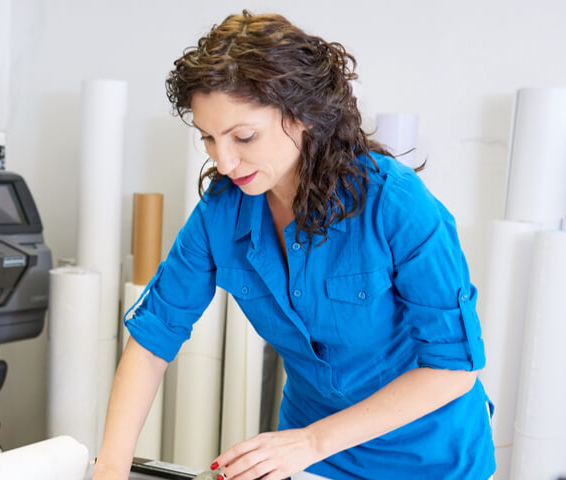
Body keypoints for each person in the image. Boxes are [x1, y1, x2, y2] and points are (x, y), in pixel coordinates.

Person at [93, 11, 493, 480]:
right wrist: (111, 467)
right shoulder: (222, 213)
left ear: (302, 115)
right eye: (208, 139)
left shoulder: (396, 206)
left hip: (429, 459)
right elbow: (154, 334)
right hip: (311, 456)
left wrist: (310, 442)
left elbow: (454, 368)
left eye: (244, 136)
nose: (223, 162)